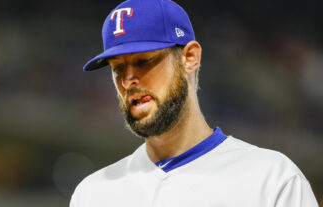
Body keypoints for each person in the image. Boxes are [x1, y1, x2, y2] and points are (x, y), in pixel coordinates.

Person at [70, 0, 319, 206]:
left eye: (144, 61)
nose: (128, 80)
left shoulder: (273, 179)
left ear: (189, 58)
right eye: (118, 68)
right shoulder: (92, 194)